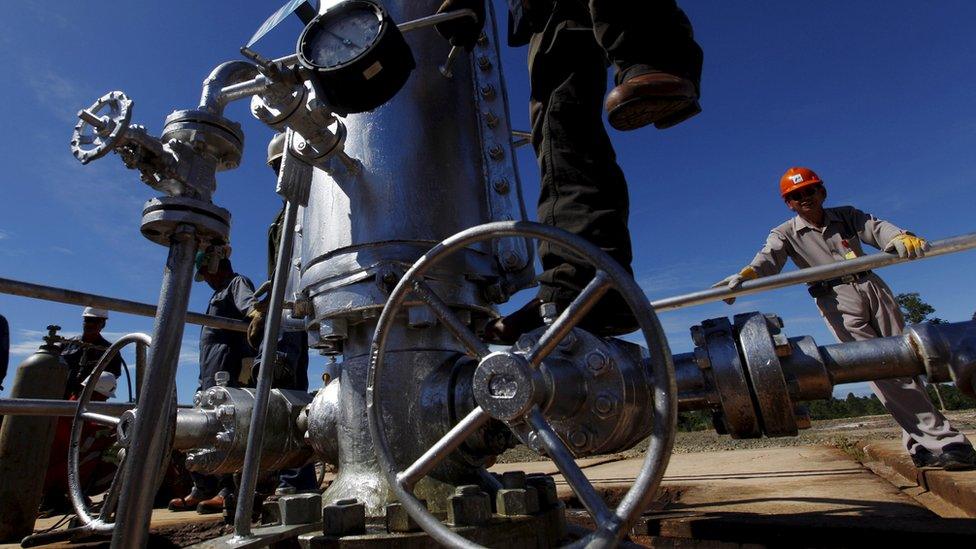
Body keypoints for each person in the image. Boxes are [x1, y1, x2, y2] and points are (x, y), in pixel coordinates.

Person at [435, 0, 703, 342]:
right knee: (560, 131)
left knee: (565, 125)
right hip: (545, 14)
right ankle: (579, 286)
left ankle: (653, 51)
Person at [716, 167, 976, 470]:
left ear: (821, 192)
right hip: (836, 299)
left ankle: (918, 443)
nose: (804, 199)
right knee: (881, 368)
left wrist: (900, 236)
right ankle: (948, 442)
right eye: (796, 196)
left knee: (910, 362)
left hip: (872, 287)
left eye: (809, 191)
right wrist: (746, 276)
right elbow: (768, 259)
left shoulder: (847, 216)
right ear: (788, 203)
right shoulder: (785, 232)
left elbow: (876, 229)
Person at [248, 133, 317, 495]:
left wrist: (274, 305)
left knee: (286, 394)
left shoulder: (308, 208)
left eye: (282, 165)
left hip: (292, 317)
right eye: (275, 168)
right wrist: (264, 305)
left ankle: (296, 484)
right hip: (281, 316)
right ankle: (284, 479)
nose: (278, 174)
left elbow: (296, 267)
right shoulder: (284, 215)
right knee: (275, 393)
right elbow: (279, 272)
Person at [168, 248, 256, 513]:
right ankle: (202, 487)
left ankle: (227, 491)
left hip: (226, 372)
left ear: (216, 264)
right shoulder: (217, 293)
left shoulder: (236, 283)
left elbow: (250, 308)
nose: (205, 278)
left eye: (205, 271)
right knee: (200, 428)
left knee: (224, 430)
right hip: (208, 373)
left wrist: (256, 315)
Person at [60, 308, 124, 399]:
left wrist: (84, 395)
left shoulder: (110, 351)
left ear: (103, 324)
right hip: (59, 397)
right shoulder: (66, 345)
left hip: (89, 401)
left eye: (96, 321)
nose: (90, 324)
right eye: (88, 320)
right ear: (83, 321)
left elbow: (110, 379)